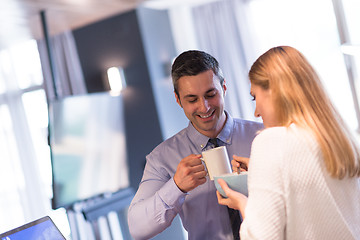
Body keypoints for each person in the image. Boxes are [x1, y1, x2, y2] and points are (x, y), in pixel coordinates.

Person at [217, 46, 360, 239]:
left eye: (255, 97)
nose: (256, 112)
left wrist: (243, 203)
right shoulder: (345, 140)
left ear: (276, 92)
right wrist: (264, 171)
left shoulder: (270, 142)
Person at [128, 50, 263, 240]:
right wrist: (176, 187)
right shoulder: (161, 158)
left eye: (210, 94)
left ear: (224, 88)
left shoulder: (263, 136)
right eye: (192, 99)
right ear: (178, 100)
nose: (204, 107)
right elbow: (137, 228)